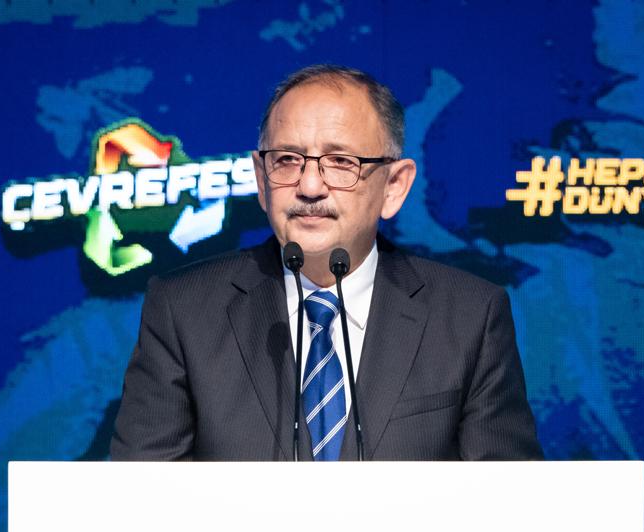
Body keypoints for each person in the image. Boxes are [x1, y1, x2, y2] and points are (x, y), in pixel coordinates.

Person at [111, 64, 542, 461]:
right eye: (287, 160)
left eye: (341, 162)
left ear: (394, 186)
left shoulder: (470, 318)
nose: (310, 186)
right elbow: (141, 498)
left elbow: (508, 502)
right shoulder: (183, 311)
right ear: (261, 180)